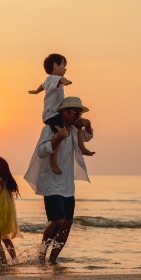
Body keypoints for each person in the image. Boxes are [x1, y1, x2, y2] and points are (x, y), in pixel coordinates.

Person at [24, 96, 94, 264]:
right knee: (58, 221)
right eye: (76, 112)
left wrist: (88, 124)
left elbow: (87, 137)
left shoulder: (74, 129)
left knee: (68, 222)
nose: (78, 115)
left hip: (68, 184)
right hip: (51, 181)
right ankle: (42, 254)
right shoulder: (51, 129)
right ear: (65, 112)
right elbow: (41, 151)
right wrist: (57, 138)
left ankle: (53, 259)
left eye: (80, 112)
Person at [28, 54, 95, 175]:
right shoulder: (53, 79)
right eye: (64, 65)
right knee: (61, 134)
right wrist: (66, 81)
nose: (65, 69)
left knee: (78, 125)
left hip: (54, 114)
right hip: (51, 115)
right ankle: (53, 161)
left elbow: (41, 86)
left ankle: (82, 147)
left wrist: (36, 91)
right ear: (55, 65)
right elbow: (61, 80)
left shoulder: (48, 82)